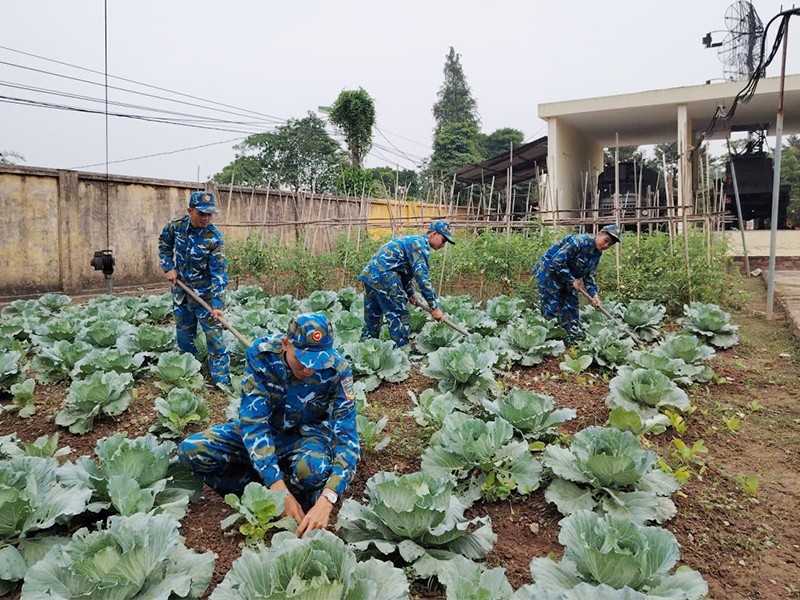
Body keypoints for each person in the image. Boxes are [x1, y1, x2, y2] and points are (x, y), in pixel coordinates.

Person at [177, 313, 359, 537]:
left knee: (314, 471)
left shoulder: (338, 369)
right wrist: (277, 487)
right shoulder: (261, 354)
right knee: (191, 451)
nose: (309, 370)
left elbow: (347, 438)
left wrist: (328, 498)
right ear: (285, 344)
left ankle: (301, 498)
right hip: (267, 431)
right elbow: (254, 423)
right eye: (303, 360)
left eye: (318, 362)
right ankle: (259, 490)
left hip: (306, 436)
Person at [158, 191, 230, 388]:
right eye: (201, 213)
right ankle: (191, 375)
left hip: (205, 297)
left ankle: (222, 382)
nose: (206, 218)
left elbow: (219, 274)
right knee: (184, 338)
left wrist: (216, 304)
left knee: (215, 339)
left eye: (209, 214)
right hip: (182, 293)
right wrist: (168, 267)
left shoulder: (214, 237)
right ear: (190, 210)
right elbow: (164, 244)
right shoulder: (176, 226)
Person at [358, 221, 455, 348]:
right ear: (434, 234)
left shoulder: (411, 240)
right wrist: (434, 307)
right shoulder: (420, 245)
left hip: (370, 276)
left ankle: (365, 349)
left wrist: (410, 293)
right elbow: (422, 277)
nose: (443, 244)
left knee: (372, 319)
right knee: (399, 317)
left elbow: (403, 270)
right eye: (443, 240)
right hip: (386, 278)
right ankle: (401, 354)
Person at [532, 225, 621, 343]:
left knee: (571, 306)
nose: (606, 245)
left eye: (610, 245)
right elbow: (557, 261)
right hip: (549, 272)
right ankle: (549, 341)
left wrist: (594, 295)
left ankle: (571, 339)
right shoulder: (579, 242)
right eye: (606, 241)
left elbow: (589, 275)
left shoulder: (597, 253)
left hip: (568, 276)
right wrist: (571, 280)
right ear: (599, 234)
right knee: (551, 306)